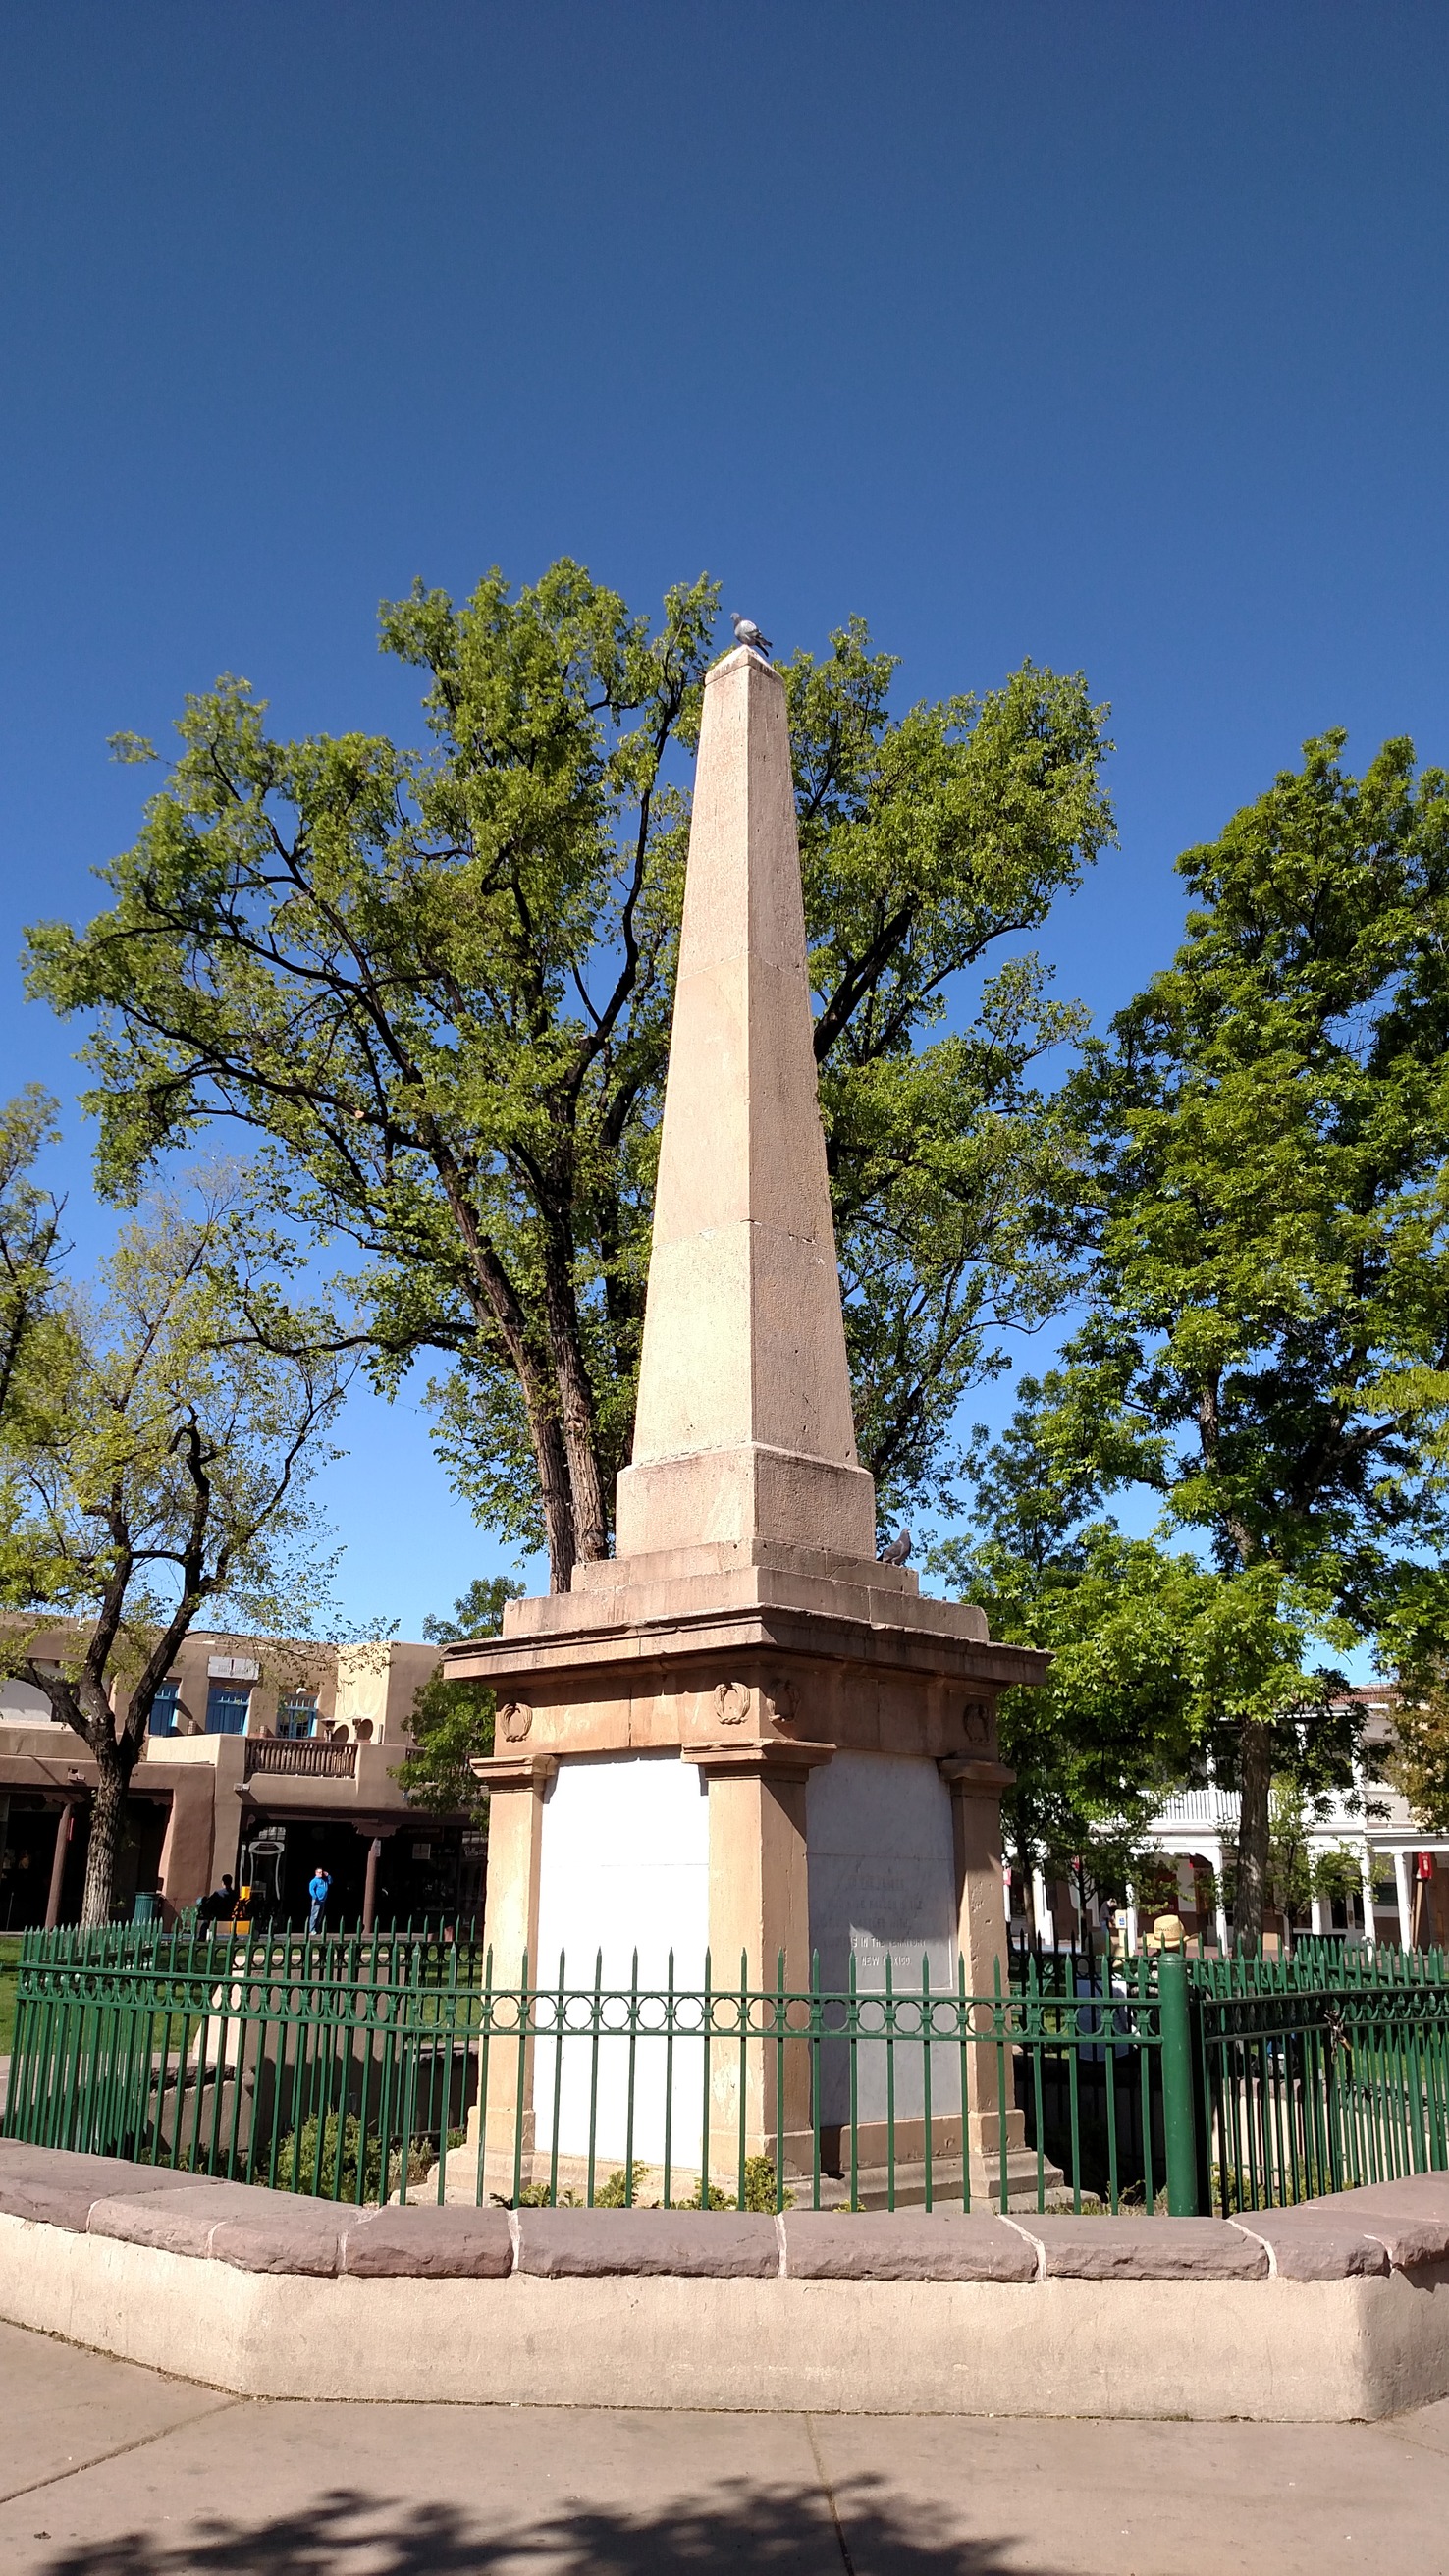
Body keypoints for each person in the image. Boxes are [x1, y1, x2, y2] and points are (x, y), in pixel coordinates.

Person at [307, 1864, 332, 1933]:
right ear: (316, 1873)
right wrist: (315, 1897)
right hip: (317, 1900)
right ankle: (312, 1929)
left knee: (320, 1916)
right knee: (314, 1915)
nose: (321, 1873)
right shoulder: (314, 1881)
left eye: (321, 1872)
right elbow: (311, 1889)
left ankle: (317, 1929)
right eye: (319, 1872)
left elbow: (330, 1882)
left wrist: (328, 1875)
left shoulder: (324, 1880)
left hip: (322, 1900)